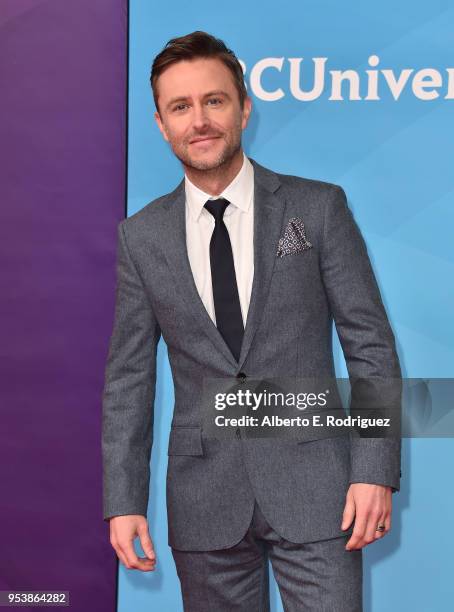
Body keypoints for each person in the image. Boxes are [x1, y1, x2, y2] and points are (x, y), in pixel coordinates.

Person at [102, 30, 402, 611]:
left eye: (213, 100)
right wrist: (123, 499)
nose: (199, 120)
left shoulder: (317, 208)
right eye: (180, 107)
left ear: (243, 106)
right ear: (161, 124)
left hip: (321, 492)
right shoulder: (140, 238)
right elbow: (128, 380)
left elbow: (371, 346)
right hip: (204, 499)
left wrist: (374, 468)